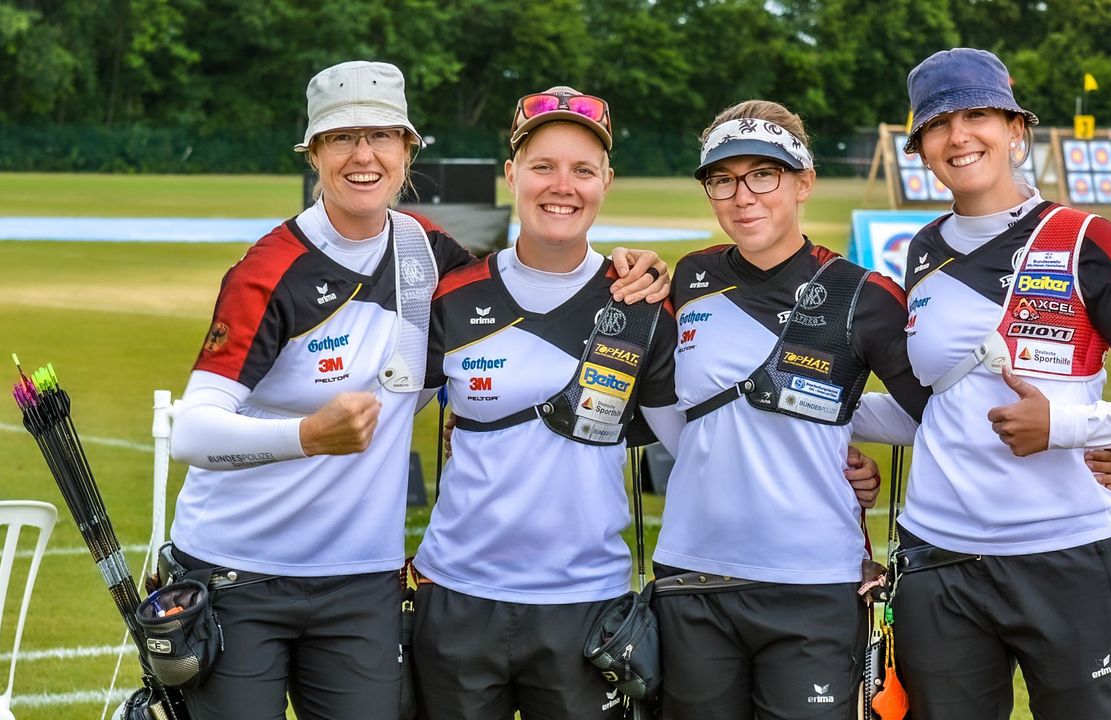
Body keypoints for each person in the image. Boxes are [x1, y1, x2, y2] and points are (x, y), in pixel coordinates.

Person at [167, 65, 668, 720]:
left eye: (382, 136)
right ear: (314, 152)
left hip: (361, 584)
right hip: (238, 571)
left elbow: (533, 277)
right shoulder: (268, 272)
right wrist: (308, 436)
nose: (364, 155)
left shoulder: (432, 255)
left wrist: (638, 267)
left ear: (408, 149)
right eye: (342, 138)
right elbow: (191, 433)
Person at [856, 48, 1111, 719]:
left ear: (1015, 129)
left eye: (977, 114)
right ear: (921, 148)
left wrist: (1072, 428)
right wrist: (814, 411)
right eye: (937, 124)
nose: (958, 135)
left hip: (1069, 559)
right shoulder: (923, 249)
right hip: (938, 564)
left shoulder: (1088, 240)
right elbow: (937, 411)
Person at [643, 99, 934, 720]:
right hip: (693, 576)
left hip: (813, 584)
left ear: (803, 182)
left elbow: (935, 418)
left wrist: (833, 419)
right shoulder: (690, 278)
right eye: (722, 179)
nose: (741, 195)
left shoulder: (865, 294)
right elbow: (673, 405)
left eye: (763, 175)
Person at [408, 86, 685, 720]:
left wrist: (831, 466)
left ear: (606, 182)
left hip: (587, 605)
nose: (562, 186)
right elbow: (379, 427)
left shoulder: (640, 303)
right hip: (457, 598)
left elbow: (698, 448)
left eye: (583, 170)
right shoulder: (453, 297)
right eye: (542, 166)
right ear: (511, 175)